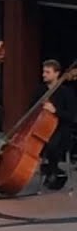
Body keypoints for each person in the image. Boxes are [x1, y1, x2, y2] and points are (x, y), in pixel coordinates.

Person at [34, 60, 76, 189]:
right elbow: (31, 109)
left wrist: (55, 111)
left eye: (47, 72)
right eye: (43, 71)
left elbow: (72, 116)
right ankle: (50, 169)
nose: (44, 75)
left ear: (57, 74)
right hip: (43, 128)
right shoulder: (40, 90)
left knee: (52, 144)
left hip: (62, 129)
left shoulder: (66, 92)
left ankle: (53, 170)